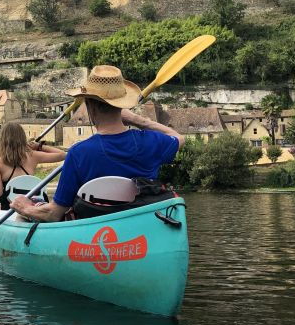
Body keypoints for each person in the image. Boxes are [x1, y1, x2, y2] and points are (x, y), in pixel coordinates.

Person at [10, 65, 183, 222]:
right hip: (140, 231)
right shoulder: (151, 141)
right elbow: (178, 138)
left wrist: (25, 208)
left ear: (90, 106)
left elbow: (53, 214)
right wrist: (138, 120)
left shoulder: (78, 153)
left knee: (28, 210)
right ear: (121, 106)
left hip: (95, 236)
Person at [0, 121, 67, 209]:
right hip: (30, 208)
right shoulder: (33, 156)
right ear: (23, 138)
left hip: (9, 210)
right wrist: (39, 146)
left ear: (2, 140)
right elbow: (63, 155)